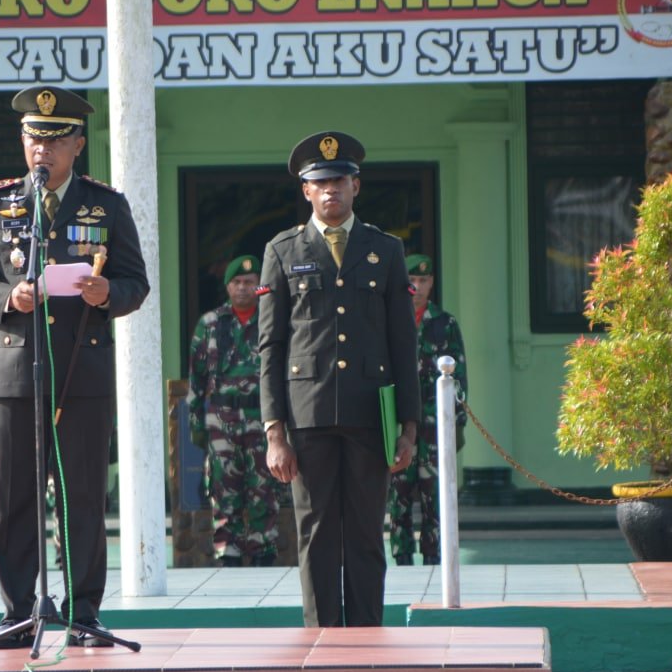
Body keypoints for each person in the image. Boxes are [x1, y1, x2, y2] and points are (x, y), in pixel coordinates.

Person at [0, 85, 149, 649]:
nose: (44, 150)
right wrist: (9, 298)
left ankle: (84, 614)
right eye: (35, 138)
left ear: (78, 145)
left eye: (56, 140)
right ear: (23, 141)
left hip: (81, 376)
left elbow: (137, 284)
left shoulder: (106, 205)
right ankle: (18, 611)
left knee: (83, 497)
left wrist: (108, 290)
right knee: (14, 501)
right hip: (14, 375)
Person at [258, 130, 421, 627]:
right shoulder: (283, 250)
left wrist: (409, 427)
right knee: (316, 534)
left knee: (368, 536)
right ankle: (322, 637)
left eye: (340, 181)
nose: (331, 190)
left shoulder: (385, 249)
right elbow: (271, 346)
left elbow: (402, 344)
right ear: (306, 191)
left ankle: (368, 636)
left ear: (356, 186)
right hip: (307, 418)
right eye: (320, 182)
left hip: (372, 415)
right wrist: (274, 432)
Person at [187, 254, 279, 567]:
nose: (242, 288)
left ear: (258, 286)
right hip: (221, 419)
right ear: (227, 286)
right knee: (224, 487)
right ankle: (229, 551)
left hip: (262, 417)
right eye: (237, 282)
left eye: (249, 282)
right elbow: (197, 379)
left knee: (263, 486)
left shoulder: (272, 320)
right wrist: (197, 425)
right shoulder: (210, 323)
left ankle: (263, 547)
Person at [387, 253, 469, 566]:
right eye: (412, 280)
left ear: (432, 282)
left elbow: (459, 375)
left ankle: (435, 558)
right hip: (399, 425)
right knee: (400, 494)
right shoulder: (389, 320)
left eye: (424, 280)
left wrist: (457, 422)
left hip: (436, 425)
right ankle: (402, 556)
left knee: (436, 495)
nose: (418, 287)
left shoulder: (444, 323)